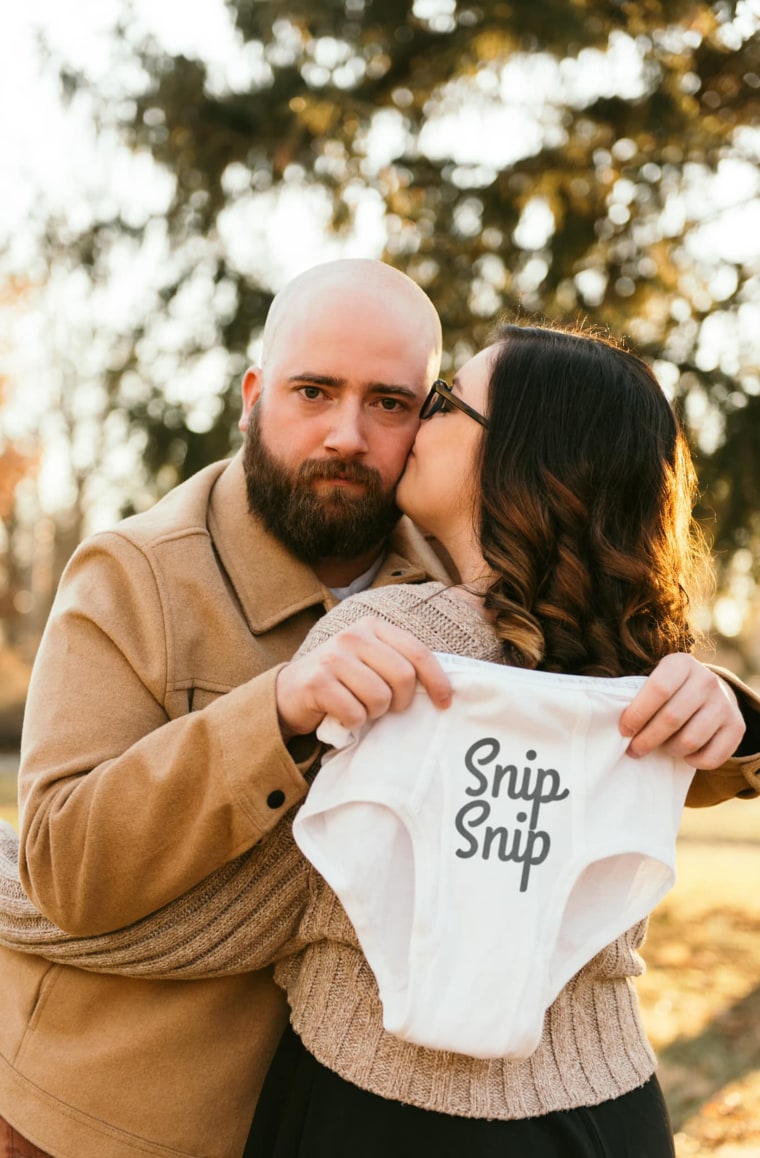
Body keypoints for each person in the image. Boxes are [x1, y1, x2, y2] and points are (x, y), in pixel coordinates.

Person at [0, 265, 756, 1158]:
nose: (347, 435)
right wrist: (274, 710)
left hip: (343, 1094)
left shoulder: (462, 563)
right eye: (312, 391)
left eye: (398, 403)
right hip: (116, 1115)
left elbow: (572, 712)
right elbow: (67, 860)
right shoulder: (134, 574)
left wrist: (732, 719)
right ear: (253, 397)